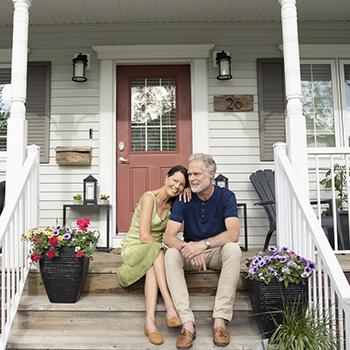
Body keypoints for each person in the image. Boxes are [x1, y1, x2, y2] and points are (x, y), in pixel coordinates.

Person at [164, 153, 241, 349]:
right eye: (190, 174)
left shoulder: (226, 196)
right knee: (171, 253)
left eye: (196, 174)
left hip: (215, 252)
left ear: (212, 174)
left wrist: (203, 245)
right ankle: (187, 325)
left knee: (233, 249)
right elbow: (169, 236)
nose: (191, 178)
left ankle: (220, 322)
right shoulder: (184, 198)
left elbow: (233, 233)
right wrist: (189, 248)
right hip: (190, 253)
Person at [116, 165, 189, 346]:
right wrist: (160, 248)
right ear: (166, 178)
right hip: (136, 246)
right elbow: (144, 236)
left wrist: (189, 190)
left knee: (152, 264)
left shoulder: (175, 204)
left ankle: (150, 323)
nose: (177, 186)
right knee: (156, 252)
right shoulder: (149, 198)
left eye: (182, 184)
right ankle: (170, 307)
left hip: (153, 252)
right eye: (175, 181)